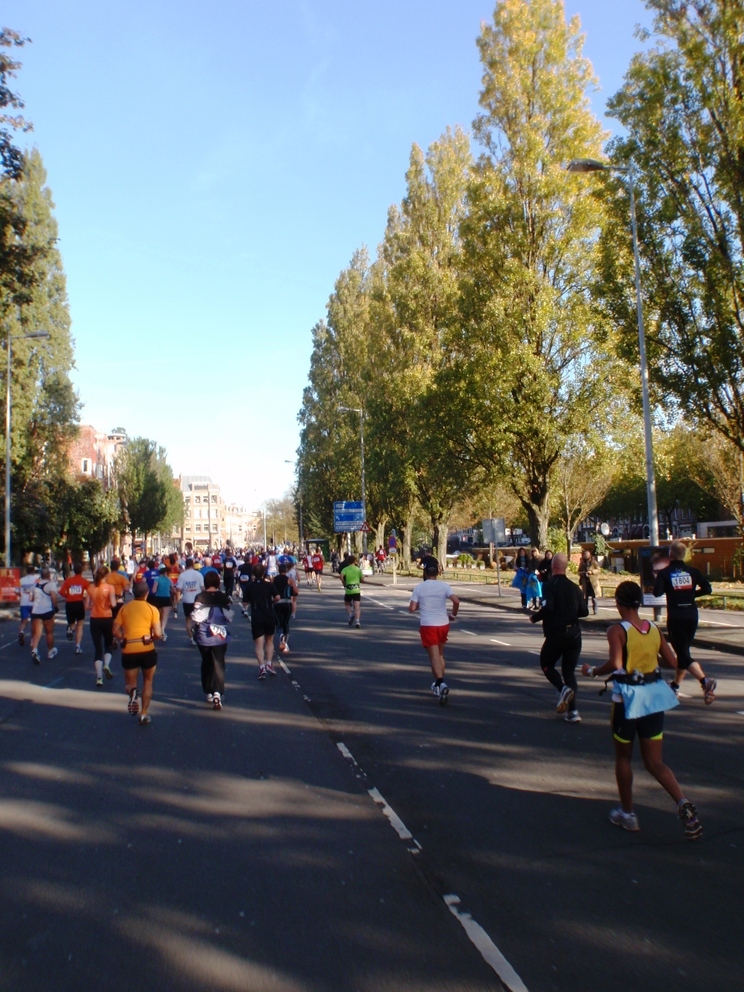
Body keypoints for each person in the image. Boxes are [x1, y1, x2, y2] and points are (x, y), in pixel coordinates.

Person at [581, 580, 702, 840]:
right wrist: (648, 656)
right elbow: (671, 662)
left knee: (623, 758)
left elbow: (615, 664)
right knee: (655, 762)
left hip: (627, 702)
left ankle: (628, 813)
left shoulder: (617, 630)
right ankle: (683, 803)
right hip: (654, 700)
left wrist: (592, 671)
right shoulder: (654, 629)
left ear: (618, 603)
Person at [653, 540, 716, 703]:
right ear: (684, 555)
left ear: (670, 555)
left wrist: (668, 587)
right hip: (692, 616)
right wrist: (691, 595)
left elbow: (656, 593)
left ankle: (705, 681)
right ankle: (675, 685)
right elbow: (708, 589)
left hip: (676, 617)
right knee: (683, 651)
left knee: (682, 653)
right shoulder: (693, 572)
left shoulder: (665, 573)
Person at [530, 551, 588, 723]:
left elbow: (548, 607)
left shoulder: (550, 585)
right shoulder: (574, 587)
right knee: (569, 672)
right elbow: (584, 611)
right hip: (574, 634)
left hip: (556, 633)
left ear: (553, 566)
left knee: (547, 664)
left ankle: (562, 689)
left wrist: (535, 617)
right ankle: (573, 712)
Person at [408, 561, 460, 704]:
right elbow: (456, 601)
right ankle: (438, 685)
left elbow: (411, 608)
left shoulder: (419, 588)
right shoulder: (444, 586)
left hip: (428, 625)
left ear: (425, 573)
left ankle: (440, 683)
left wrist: (420, 603)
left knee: (434, 657)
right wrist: (453, 615)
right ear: (437, 573)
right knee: (440, 654)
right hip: (443, 624)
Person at [112, 580, 162, 726]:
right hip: (147, 649)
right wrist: (151, 638)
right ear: (147, 594)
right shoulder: (152, 609)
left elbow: (115, 630)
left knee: (130, 683)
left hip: (130, 649)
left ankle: (132, 692)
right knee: (148, 681)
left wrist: (123, 638)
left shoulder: (125, 609)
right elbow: (158, 633)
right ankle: (144, 713)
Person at [192, 570, 234, 709]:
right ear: (217, 582)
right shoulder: (223, 597)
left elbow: (195, 616)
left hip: (203, 635)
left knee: (206, 662)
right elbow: (229, 615)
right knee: (219, 662)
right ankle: (218, 692)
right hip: (220, 635)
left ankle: (208, 690)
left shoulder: (200, 597)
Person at [84, 566, 118, 686]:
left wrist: (94, 606)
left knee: (98, 649)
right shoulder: (110, 588)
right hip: (107, 618)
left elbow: (86, 606)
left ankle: (99, 677)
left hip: (95, 619)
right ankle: (107, 665)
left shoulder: (90, 588)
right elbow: (113, 604)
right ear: (106, 576)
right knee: (108, 645)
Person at [246, 563, 278, 679]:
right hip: (269, 615)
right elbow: (277, 597)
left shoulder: (250, 586)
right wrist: (271, 602)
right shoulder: (269, 585)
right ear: (264, 573)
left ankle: (262, 667)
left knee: (259, 644)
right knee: (269, 641)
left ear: (253, 574)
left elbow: (245, 602)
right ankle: (269, 663)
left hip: (257, 616)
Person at [58, 562, 89, 655]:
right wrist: (84, 597)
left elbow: (61, 592)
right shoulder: (84, 581)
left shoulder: (68, 581)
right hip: (79, 603)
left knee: (71, 622)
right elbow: (90, 592)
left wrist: (68, 595)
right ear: (82, 571)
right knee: (80, 625)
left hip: (69, 604)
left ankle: (70, 629)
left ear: (73, 571)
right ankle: (78, 646)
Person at [29, 567, 59, 664]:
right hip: (47, 611)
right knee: (49, 632)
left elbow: (31, 599)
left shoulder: (35, 585)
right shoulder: (51, 584)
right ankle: (50, 651)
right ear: (49, 575)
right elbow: (53, 597)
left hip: (36, 611)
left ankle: (34, 650)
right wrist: (56, 606)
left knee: (37, 633)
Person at [175, 558, 205, 643]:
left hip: (187, 600)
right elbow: (203, 588)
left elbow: (179, 588)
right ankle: (199, 635)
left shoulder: (182, 575)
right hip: (198, 600)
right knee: (198, 620)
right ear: (192, 564)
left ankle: (192, 638)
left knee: (188, 619)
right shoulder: (198, 574)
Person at [272, 562, 297, 654]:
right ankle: (285, 643)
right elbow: (296, 591)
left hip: (277, 603)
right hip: (287, 603)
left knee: (278, 623)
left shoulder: (274, 579)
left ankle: (281, 635)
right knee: (286, 623)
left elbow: (271, 590)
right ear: (286, 571)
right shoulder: (290, 580)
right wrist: (291, 593)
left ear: (279, 570)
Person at [150, 564, 175, 641]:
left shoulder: (157, 579)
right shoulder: (169, 580)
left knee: (158, 616)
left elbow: (154, 590)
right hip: (167, 598)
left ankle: (157, 630)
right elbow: (174, 590)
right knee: (165, 617)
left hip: (158, 598)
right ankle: (162, 631)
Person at [339, 553, 364, 628]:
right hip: (356, 590)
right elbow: (362, 579)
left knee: (347, 604)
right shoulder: (358, 569)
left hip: (349, 590)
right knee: (357, 607)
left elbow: (341, 575)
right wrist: (360, 580)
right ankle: (357, 621)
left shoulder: (346, 569)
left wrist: (343, 582)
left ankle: (350, 614)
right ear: (355, 561)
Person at [18, 565, 39, 647]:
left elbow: (17, 591)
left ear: (26, 571)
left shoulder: (21, 580)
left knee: (24, 621)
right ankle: (32, 640)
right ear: (33, 571)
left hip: (23, 603)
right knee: (34, 623)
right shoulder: (37, 579)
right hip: (34, 603)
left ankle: (21, 632)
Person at [578, 548, 602, 615]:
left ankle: (595, 610)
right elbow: (578, 571)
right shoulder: (582, 563)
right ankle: (585, 610)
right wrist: (581, 573)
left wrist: (591, 572)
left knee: (594, 598)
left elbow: (598, 570)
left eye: (587, 554)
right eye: (585, 554)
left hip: (593, 582)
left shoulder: (593, 562)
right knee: (585, 598)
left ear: (590, 555)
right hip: (585, 582)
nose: (586, 555)